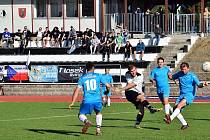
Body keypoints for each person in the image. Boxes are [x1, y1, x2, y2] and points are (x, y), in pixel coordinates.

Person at [69, 62, 112, 135]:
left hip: (87, 100)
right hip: (97, 100)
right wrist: (106, 92)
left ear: (86, 69)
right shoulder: (98, 75)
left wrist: (73, 102)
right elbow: (108, 86)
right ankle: (98, 130)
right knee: (98, 113)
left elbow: (77, 90)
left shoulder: (82, 78)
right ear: (93, 68)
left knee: (80, 114)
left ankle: (86, 121)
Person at [164, 62, 208, 130]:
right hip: (181, 95)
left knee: (179, 106)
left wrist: (203, 84)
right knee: (174, 110)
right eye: (182, 69)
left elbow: (199, 84)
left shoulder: (192, 76)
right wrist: (169, 75)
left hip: (189, 95)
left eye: (185, 69)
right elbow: (172, 77)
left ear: (188, 68)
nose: (183, 71)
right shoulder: (179, 74)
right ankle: (185, 124)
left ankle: (170, 119)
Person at [118, 64, 161, 128]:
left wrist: (120, 89)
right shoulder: (127, 74)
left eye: (134, 70)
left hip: (137, 92)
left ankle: (137, 124)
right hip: (129, 93)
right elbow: (130, 85)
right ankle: (151, 108)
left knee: (141, 110)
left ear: (136, 69)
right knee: (141, 97)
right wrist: (122, 89)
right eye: (131, 71)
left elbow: (132, 85)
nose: (133, 72)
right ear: (129, 71)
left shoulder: (140, 76)